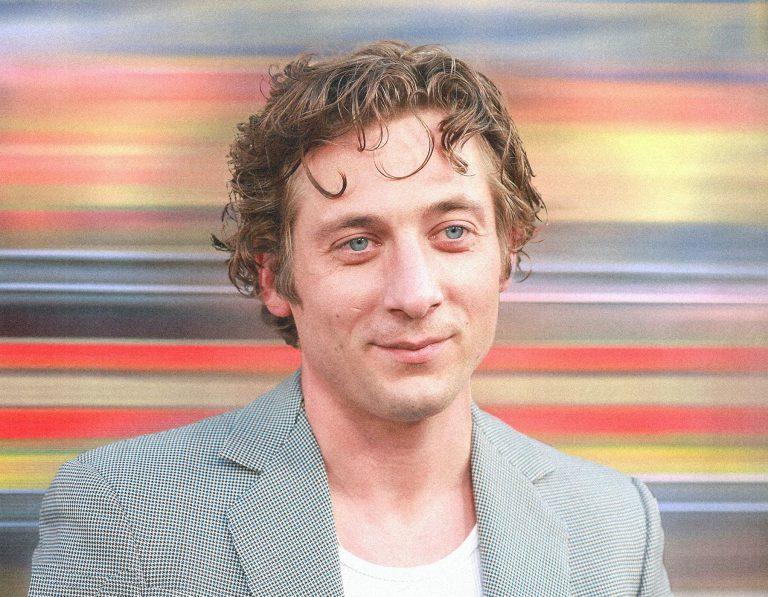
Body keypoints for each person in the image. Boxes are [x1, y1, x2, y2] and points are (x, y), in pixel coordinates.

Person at [29, 41, 671, 596]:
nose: (414, 294)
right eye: (357, 243)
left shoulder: (614, 526)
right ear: (274, 278)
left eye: (452, 232)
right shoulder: (122, 515)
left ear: (506, 252)